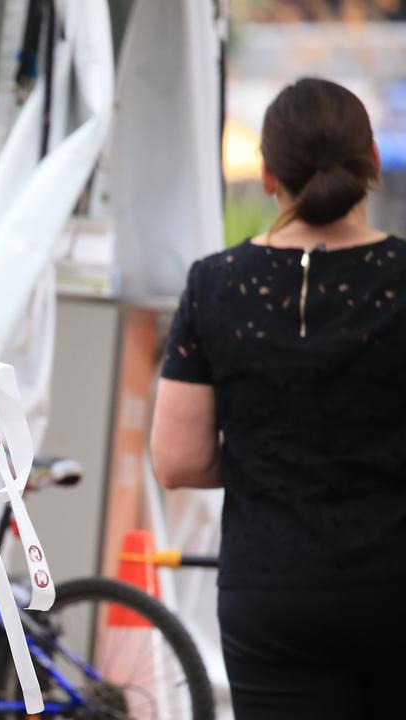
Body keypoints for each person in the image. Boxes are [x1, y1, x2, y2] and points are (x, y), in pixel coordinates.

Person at [150, 77, 406, 719]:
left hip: (272, 590)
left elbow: (177, 461)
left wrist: (272, 456)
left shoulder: (215, 284)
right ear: (371, 161)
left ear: (267, 175)